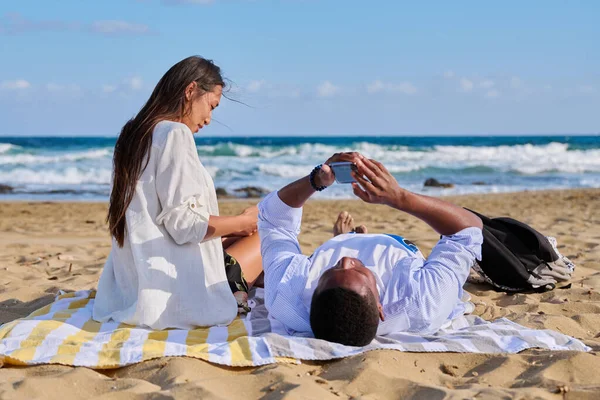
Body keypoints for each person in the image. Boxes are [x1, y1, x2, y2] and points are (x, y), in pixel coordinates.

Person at [93, 56, 263, 330]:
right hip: (170, 297)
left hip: (132, 287)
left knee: (237, 238)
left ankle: (238, 282)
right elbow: (183, 225)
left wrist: (236, 227)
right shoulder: (175, 134)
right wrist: (244, 222)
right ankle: (238, 291)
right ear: (190, 91)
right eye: (211, 106)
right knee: (264, 237)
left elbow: (161, 220)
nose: (209, 119)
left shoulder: (133, 134)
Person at [257, 152, 483, 346]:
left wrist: (316, 180)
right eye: (356, 271)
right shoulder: (421, 303)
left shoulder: (288, 299)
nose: (346, 260)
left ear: (310, 297)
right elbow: (468, 229)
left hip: (331, 248)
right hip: (394, 249)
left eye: (331, 271)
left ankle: (343, 239)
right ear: (380, 309)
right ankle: (348, 240)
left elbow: (273, 218)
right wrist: (399, 198)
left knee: (336, 256)